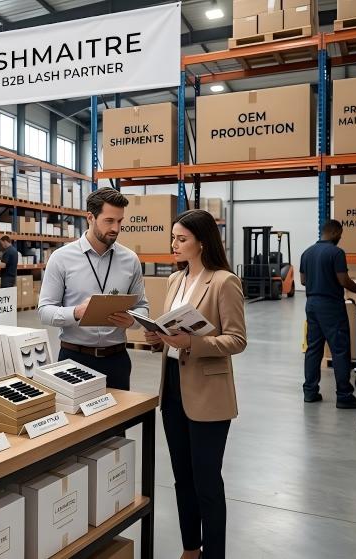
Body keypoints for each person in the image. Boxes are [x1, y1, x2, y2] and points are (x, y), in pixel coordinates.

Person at [144, 209, 247, 559]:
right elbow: (170, 333)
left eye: (181, 239)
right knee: (182, 478)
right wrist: (157, 338)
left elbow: (237, 340)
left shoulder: (223, 282)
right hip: (172, 387)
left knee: (206, 481)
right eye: (173, 238)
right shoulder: (175, 280)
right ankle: (190, 549)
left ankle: (214, 554)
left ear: (202, 242)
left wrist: (192, 343)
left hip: (208, 391)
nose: (174, 245)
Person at [37, 188, 149, 390]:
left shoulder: (130, 260)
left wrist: (133, 321)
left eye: (120, 221)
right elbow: (44, 311)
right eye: (109, 221)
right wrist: (76, 312)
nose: (116, 228)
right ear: (90, 217)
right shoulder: (61, 258)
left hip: (117, 361)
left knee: (120, 412)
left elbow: (142, 307)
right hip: (74, 360)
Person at [300, 219, 356, 409]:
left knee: (313, 349)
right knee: (339, 349)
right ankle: (344, 396)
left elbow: (303, 281)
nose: (340, 237)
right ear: (333, 232)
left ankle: (310, 392)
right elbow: (343, 280)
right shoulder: (336, 252)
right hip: (331, 305)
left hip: (311, 304)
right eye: (340, 234)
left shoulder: (307, 252)